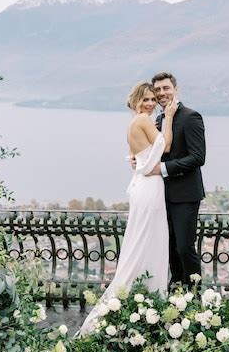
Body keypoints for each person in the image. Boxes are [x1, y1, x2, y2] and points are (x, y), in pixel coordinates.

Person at [78, 81, 177, 335]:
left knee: (144, 243)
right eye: (145, 99)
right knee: (149, 243)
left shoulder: (133, 123)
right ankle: (148, 303)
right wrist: (168, 117)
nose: (150, 103)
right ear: (135, 100)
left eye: (152, 99)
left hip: (143, 186)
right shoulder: (144, 120)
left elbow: (139, 157)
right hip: (150, 187)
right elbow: (165, 146)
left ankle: (137, 304)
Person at [147, 72, 205, 289]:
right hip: (163, 195)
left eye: (166, 88)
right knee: (169, 246)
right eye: (158, 90)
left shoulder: (191, 117)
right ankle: (177, 288)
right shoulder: (161, 120)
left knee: (184, 247)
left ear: (175, 89)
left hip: (186, 195)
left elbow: (198, 157)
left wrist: (162, 168)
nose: (162, 93)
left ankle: (195, 292)